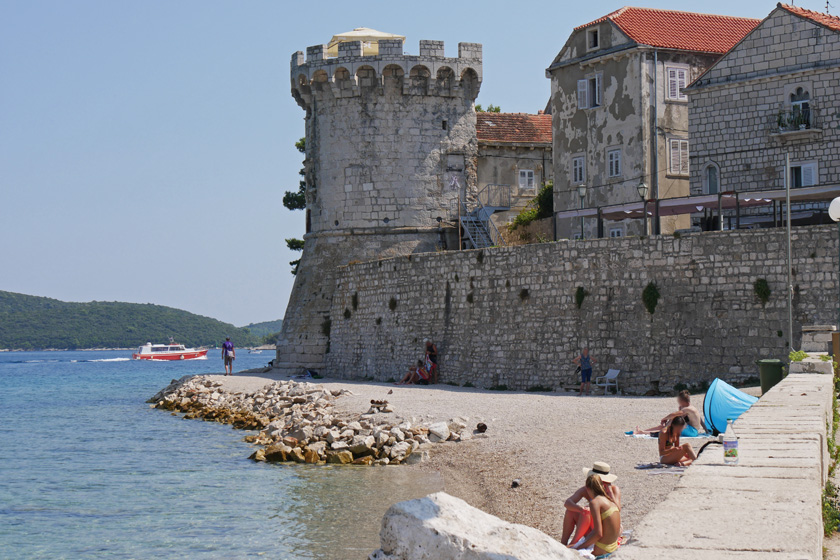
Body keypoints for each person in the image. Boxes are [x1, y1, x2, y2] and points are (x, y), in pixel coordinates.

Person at [561, 462, 621, 551]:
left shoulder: (613, 489)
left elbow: (617, 510)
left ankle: (574, 544)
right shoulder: (587, 489)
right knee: (572, 511)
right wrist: (580, 509)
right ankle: (564, 543)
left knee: (587, 512)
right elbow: (568, 503)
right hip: (595, 527)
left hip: (607, 529)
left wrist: (610, 492)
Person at [634, 390, 705, 436]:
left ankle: (644, 432)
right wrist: (707, 431)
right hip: (693, 431)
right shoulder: (692, 408)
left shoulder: (688, 409)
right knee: (669, 423)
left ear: (682, 401)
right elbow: (700, 420)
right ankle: (642, 431)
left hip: (692, 432)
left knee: (673, 420)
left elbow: (674, 414)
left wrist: (664, 419)